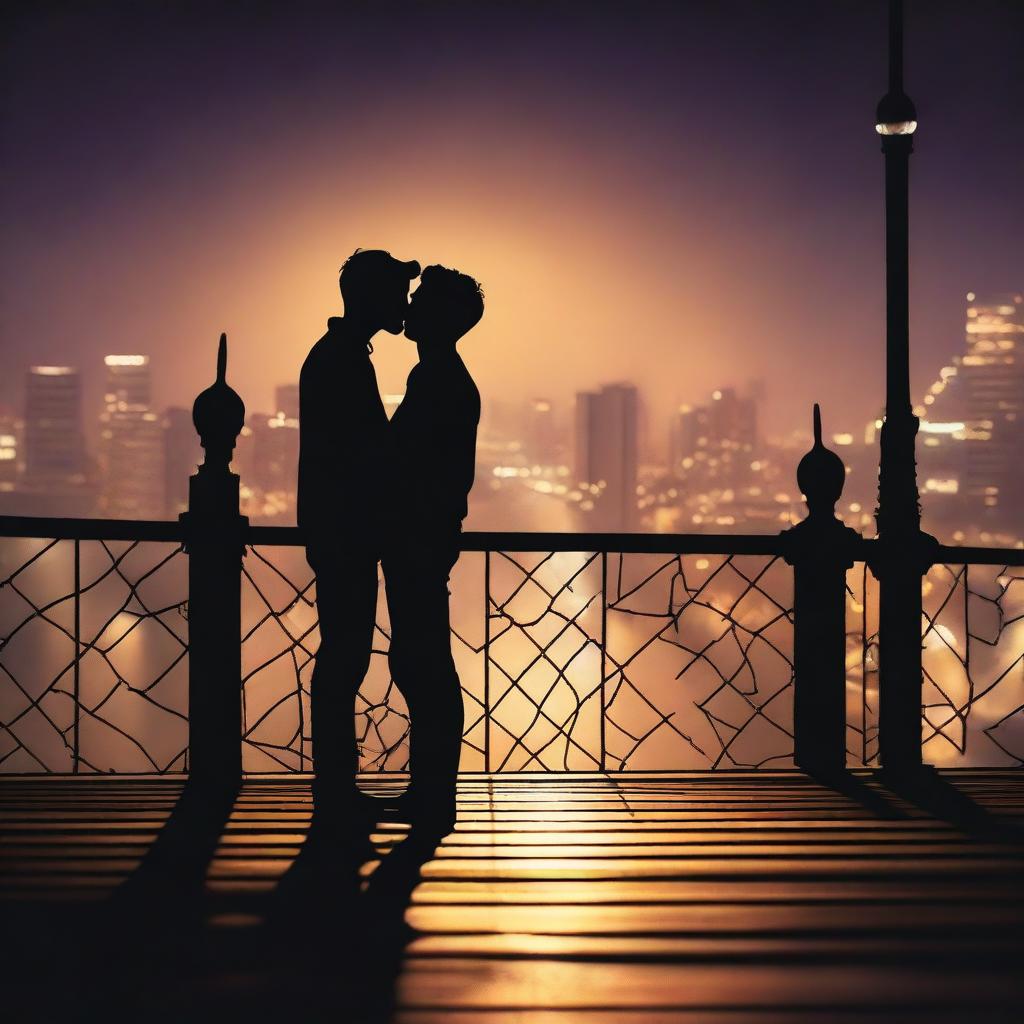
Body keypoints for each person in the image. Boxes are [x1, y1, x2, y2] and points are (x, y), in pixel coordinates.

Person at [298, 249, 420, 819]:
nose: (404, 304)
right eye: (397, 292)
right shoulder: (342, 360)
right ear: (372, 297)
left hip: (340, 530)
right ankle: (336, 791)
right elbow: (364, 454)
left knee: (342, 656)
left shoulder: (340, 355)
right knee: (344, 658)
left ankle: (336, 789)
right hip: (347, 532)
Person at [383, 265, 483, 832]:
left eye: (421, 300)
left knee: (423, 665)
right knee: (423, 662)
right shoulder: (443, 376)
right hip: (425, 537)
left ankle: (432, 796)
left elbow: (406, 460)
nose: (411, 307)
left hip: (418, 538)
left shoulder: (437, 380)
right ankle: (430, 793)